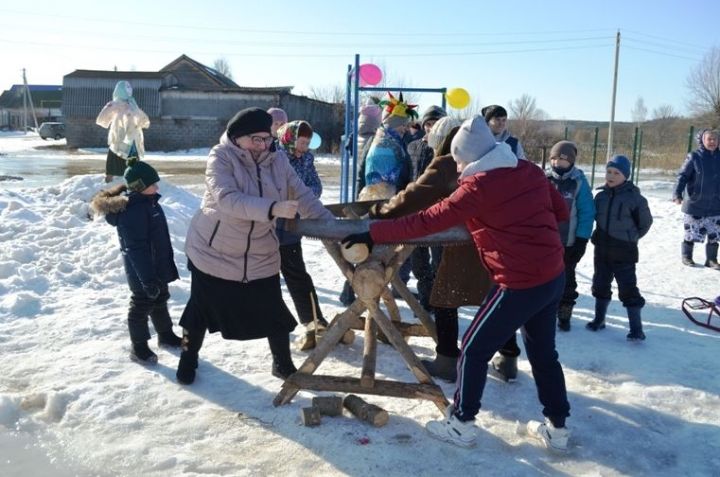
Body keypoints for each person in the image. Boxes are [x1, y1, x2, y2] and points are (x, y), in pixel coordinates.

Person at [342, 116, 571, 450]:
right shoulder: (528, 169)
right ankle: (558, 429)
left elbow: (424, 221)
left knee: (474, 350)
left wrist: (372, 232)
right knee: (544, 354)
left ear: (471, 156)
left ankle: (462, 423)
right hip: (552, 275)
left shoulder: (477, 187)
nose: (458, 166)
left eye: (460, 160)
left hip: (518, 281)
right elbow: (560, 212)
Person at [175, 108, 334, 385]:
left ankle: (282, 364)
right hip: (214, 250)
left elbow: (304, 195)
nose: (263, 146)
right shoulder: (220, 157)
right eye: (255, 140)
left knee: (273, 310)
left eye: (267, 139)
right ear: (237, 138)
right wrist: (274, 208)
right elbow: (228, 199)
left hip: (260, 251)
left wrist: (333, 228)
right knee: (200, 310)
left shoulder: (278, 159)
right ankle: (188, 359)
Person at [367, 116, 494, 383]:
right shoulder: (495, 160)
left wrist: (380, 211)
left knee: (445, 297)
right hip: (494, 241)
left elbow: (416, 195)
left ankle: (447, 360)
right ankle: (508, 355)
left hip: (464, 242)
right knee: (498, 300)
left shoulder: (448, 162)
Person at [90, 158, 182, 364]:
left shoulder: (149, 203)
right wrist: (147, 280)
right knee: (141, 306)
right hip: (142, 272)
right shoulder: (133, 211)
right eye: (153, 184)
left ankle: (165, 335)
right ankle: (138, 347)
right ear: (140, 187)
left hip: (157, 267)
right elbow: (136, 249)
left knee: (160, 300)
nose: (157, 186)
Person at [586, 155, 653, 341]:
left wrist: (631, 237)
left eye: (617, 172)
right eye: (609, 171)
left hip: (625, 252)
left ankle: (636, 328)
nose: (611, 176)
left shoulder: (635, 199)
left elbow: (645, 223)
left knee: (628, 288)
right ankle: (599, 319)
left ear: (626, 176)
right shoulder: (600, 197)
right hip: (602, 250)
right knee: (600, 284)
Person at [275, 120, 328, 350]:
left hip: (292, 225)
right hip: (269, 223)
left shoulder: (306, 158)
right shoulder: (276, 157)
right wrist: (295, 196)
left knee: (296, 273)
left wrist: (300, 197)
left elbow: (315, 186)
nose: (304, 147)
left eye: (307, 143)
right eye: (301, 142)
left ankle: (314, 321)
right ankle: (277, 326)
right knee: (265, 279)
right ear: (289, 138)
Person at [546, 141, 595, 331]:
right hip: (545, 242)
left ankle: (565, 310)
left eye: (563, 159)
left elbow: (586, 213)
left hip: (568, 243)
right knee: (544, 279)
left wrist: (581, 240)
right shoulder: (544, 179)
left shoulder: (579, 182)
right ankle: (544, 310)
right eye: (554, 158)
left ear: (571, 161)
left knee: (567, 278)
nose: (557, 162)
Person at [404, 105, 447, 311]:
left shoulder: (446, 150)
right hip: (415, 211)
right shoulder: (413, 146)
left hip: (439, 213)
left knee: (439, 259)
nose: (431, 128)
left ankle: (438, 300)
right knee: (418, 260)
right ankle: (425, 298)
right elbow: (407, 176)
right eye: (428, 124)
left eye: (435, 124)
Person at [673, 129, 720, 269]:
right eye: (709, 139)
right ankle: (687, 256)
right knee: (691, 232)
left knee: (715, 234)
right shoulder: (694, 157)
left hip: (716, 204)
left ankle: (711, 260)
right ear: (702, 141)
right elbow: (682, 176)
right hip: (695, 202)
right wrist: (677, 193)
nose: (712, 142)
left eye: (715, 139)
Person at [96, 81, 150, 183]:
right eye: (127, 89)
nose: (129, 91)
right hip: (124, 137)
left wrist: (142, 122)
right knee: (119, 157)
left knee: (125, 158)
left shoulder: (131, 104)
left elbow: (143, 119)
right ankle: (118, 180)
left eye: (130, 89)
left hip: (128, 138)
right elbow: (102, 118)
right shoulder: (122, 105)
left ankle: (131, 181)